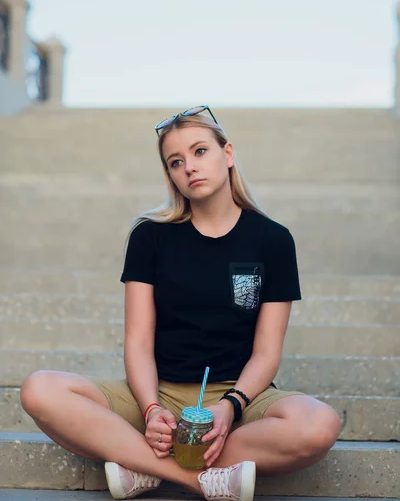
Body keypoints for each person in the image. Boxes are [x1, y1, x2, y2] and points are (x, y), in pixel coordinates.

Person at [20, 106, 341, 501]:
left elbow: (266, 353)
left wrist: (230, 407)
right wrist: (153, 410)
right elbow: (138, 342)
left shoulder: (272, 240)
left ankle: (139, 463)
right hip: (160, 395)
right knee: (39, 389)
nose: (189, 167)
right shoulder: (150, 238)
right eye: (176, 161)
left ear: (228, 154)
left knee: (319, 424)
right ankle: (192, 478)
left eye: (200, 151)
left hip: (237, 397)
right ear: (170, 174)